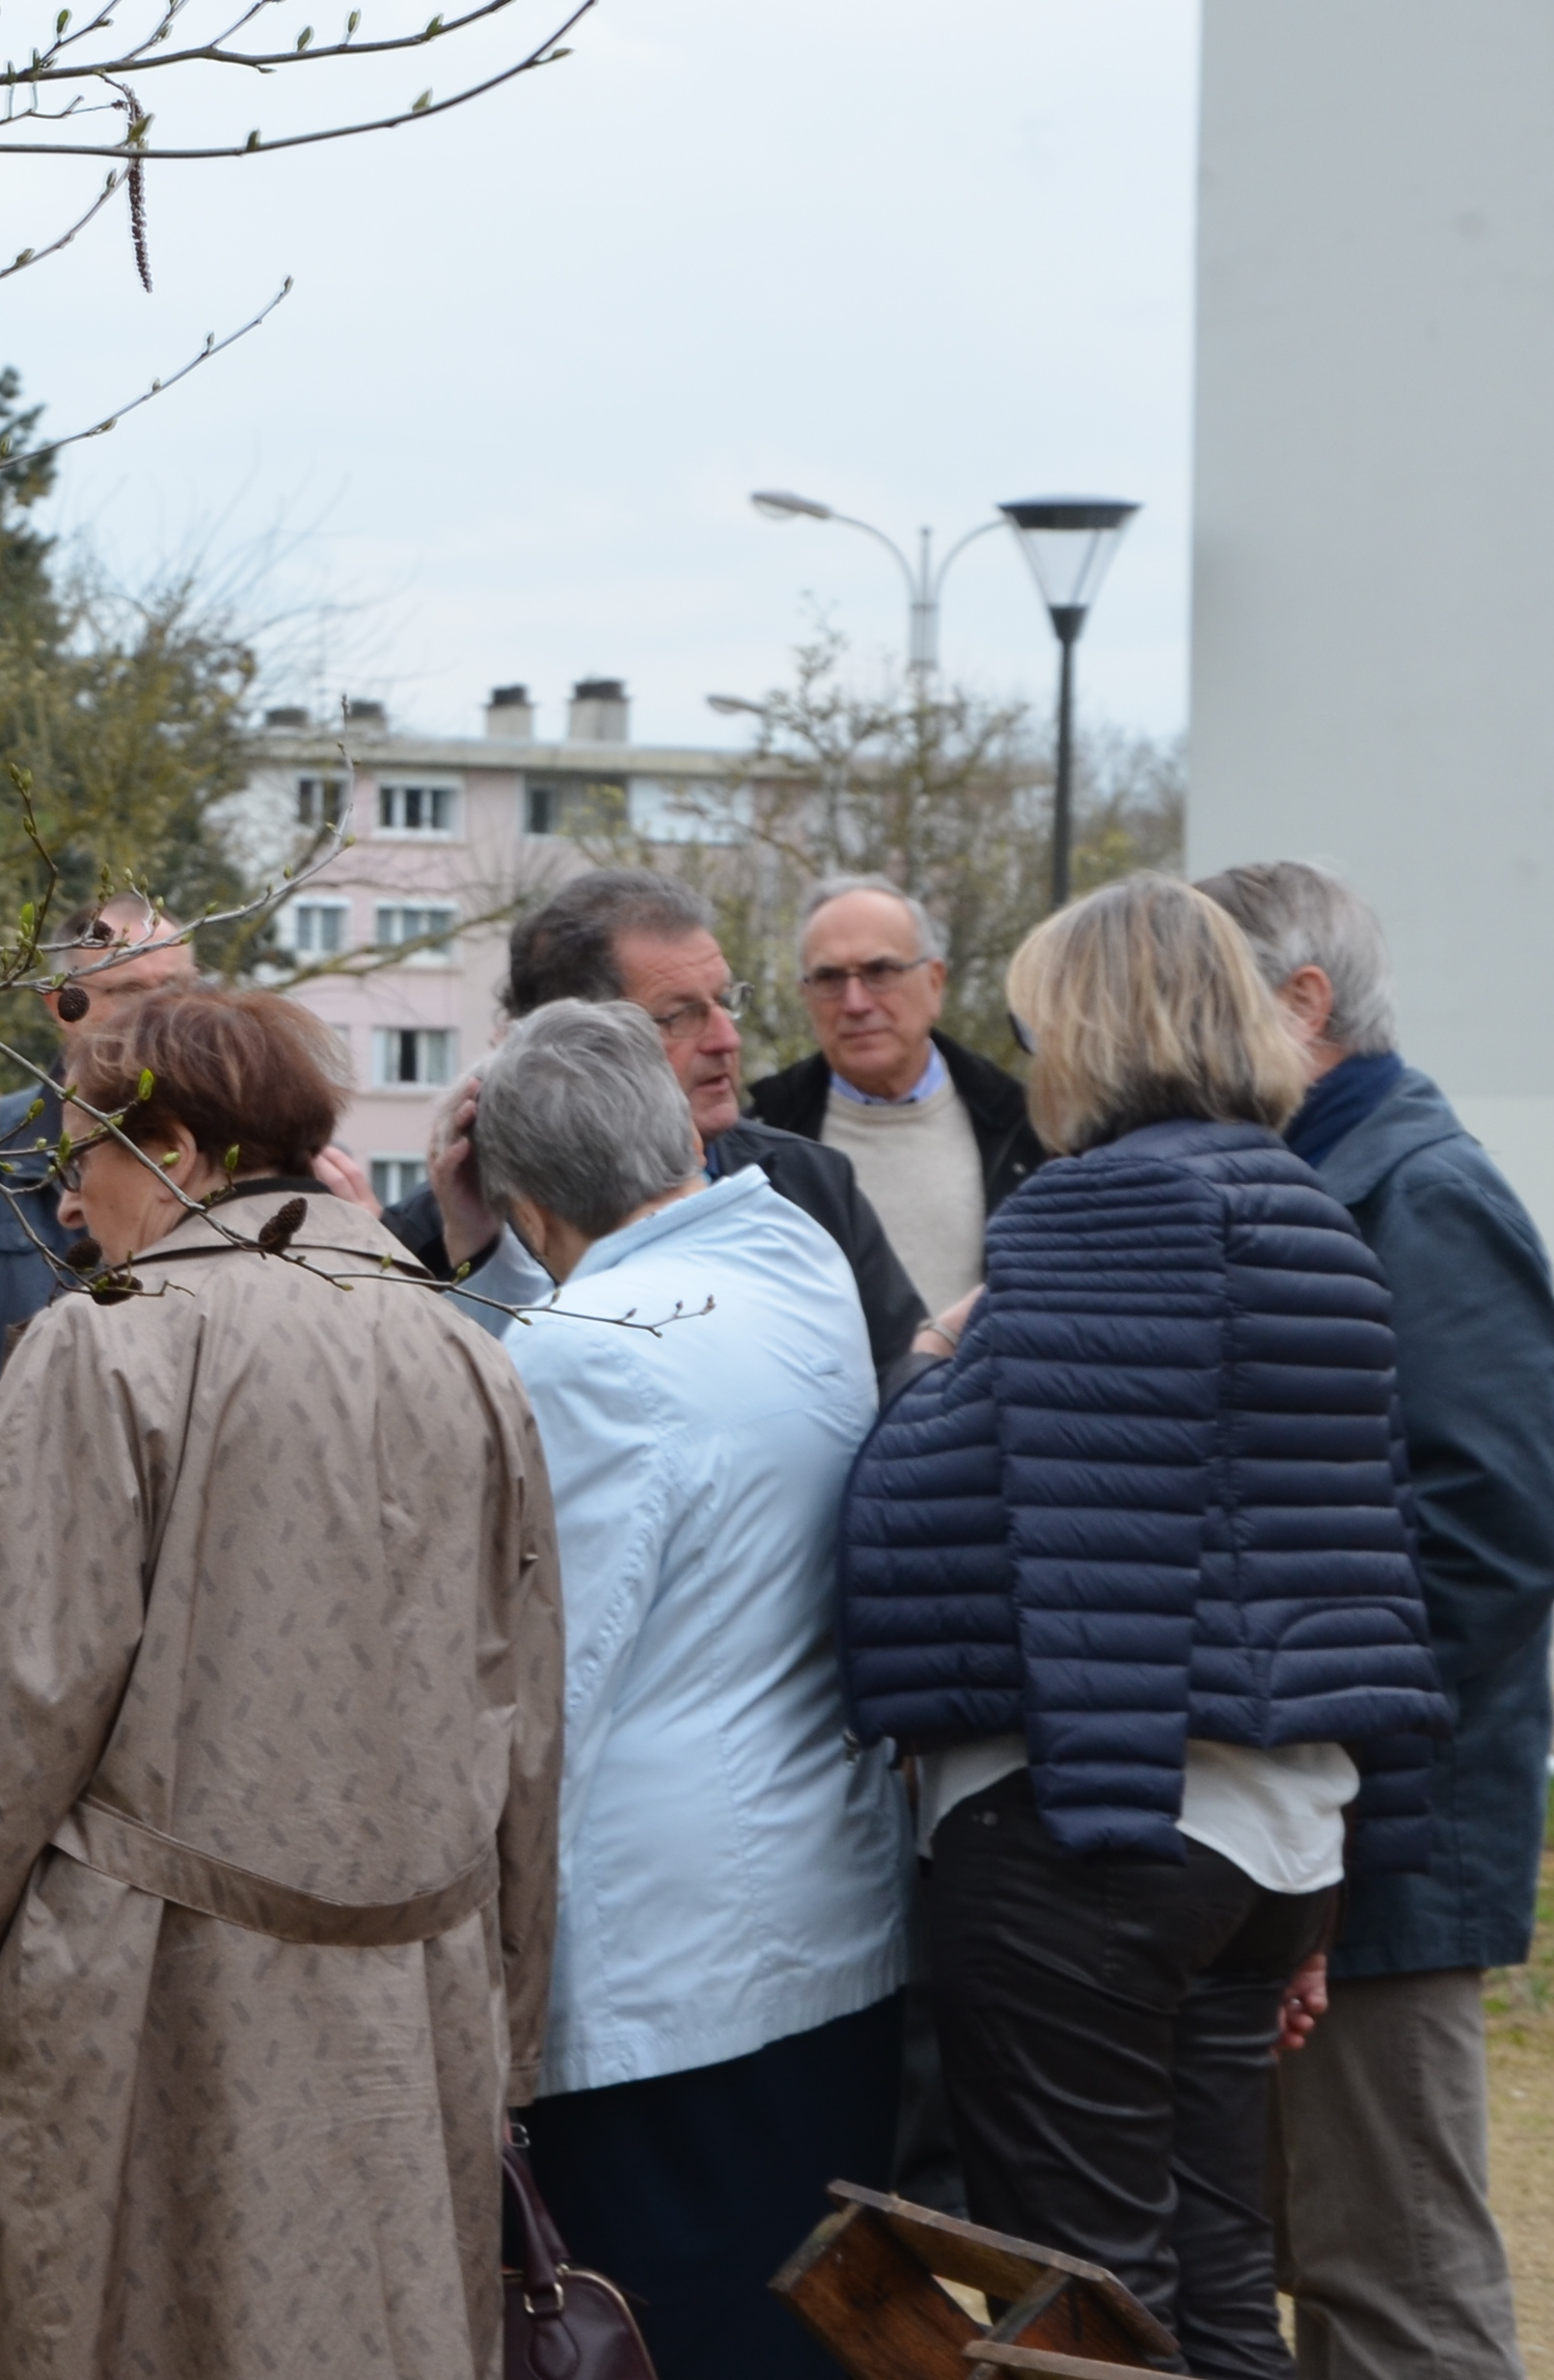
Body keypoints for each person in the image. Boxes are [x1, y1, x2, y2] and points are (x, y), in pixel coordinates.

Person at [0, 984, 560, 2378]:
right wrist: (504, 2002)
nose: (71, 1209)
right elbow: (528, 1717)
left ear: (178, 1154)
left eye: (81, 1160)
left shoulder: (117, 1341)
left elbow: (8, 1705)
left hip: (161, 2010)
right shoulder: (463, 1349)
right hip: (410, 2010)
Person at [842, 876, 1446, 2380]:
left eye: (1043, 1025)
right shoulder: (1301, 1205)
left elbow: (960, 1513)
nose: (1032, 1057)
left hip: (1100, 1837)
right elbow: (1351, 1541)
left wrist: (926, 1363)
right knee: (1220, 2285)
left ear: (1097, 1032)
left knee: (1087, 2307)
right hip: (1269, 1830)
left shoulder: (1104, 1208)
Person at [467, 1001, 908, 2380]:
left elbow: (548, 1687)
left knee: (668, 2319)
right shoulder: (793, 1264)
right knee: (805, 2305)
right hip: (825, 1897)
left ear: (527, 1207)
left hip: (666, 1949)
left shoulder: (578, 1348)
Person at [1200, 858, 1554, 2380]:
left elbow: (1491, 1534)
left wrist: (1298, 1719)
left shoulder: (1423, 1192)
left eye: (1203, 990)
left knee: (1394, 2274)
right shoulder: (1313, 1179)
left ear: (1302, 1005)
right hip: (1314, 1830)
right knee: (1321, 2252)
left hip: (1385, 1847)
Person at [384, 868, 933, 1380]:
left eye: (724, 1002)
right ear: (569, 1042)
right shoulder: (434, 1238)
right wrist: (480, 1259)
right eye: (680, 1016)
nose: (726, 1039)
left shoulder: (809, 1184)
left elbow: (900, 1393)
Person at [0, 896, 195, 1374]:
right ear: (63, 1005)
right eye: (127, 992)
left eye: (176, 989)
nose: (158, 1015)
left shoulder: (251, 1153)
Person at [742, 877, 1043, 1319]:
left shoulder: (1030, 1131)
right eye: (828, 978)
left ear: (935, 982)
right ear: (804, 996)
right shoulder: (759, 1147)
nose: (856, 1002)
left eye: (880, 972)